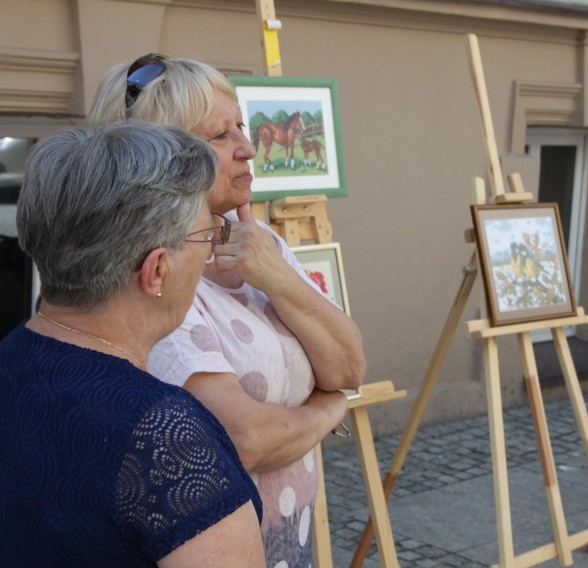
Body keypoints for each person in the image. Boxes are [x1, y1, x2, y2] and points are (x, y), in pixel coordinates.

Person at [89, 54, 366, 565]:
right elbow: (244, 439)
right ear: (163, 156)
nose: (249, 147)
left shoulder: (261, 245)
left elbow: (349, 365)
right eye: (221, 135)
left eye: (242, 124)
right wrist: (328, 410)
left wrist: (273, 274)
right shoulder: (156, 274)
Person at [0, 121, 265, 566]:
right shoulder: (161, 433)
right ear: (156, 270)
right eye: (206, 236)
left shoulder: (11, 359)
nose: (207, 252)